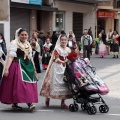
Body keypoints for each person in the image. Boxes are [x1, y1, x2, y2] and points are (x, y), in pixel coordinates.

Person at [0, 28, 38, 111]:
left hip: (28, 66)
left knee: (29, 85)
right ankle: (16, 103)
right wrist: (6, 69)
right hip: (17, 65)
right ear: (18, 35)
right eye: (22, 35)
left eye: (26, 35)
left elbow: (30, 57)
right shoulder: (14, 43)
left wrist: (34, 69)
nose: (24, 36)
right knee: (18, 85)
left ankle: (30, 103)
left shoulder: (28, 44)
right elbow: (10, 57)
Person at [40, 34, 72, 109]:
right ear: (60, 41)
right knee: (52, 83)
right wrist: (62, 61)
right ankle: (47, 98)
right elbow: (56, 58)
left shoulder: (68, 49)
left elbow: (69, 57)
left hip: (65, 68)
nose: (63, 41)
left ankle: (63, 102)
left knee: (65, 84)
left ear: (67, 40)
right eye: (62, 40)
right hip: (57, 67)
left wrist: (68, 60)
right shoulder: (57, 49)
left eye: (65, 40)